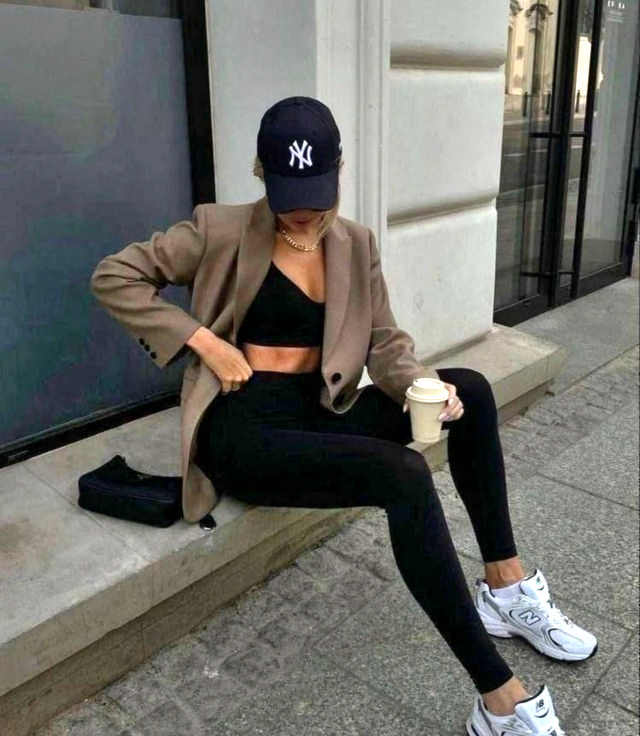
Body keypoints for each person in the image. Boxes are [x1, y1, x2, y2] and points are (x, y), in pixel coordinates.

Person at [91, 96, 597, 735]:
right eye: (287, 194)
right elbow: (114, 277)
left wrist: (424, 387)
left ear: (338, 169)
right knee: (402, 476)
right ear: (261, 174)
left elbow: (385, 342)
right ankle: (500, 699)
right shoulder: (217, 229)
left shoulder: (355, 244)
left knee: (469, 389)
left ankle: (506, 587)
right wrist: (203, 341)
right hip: (244, 431)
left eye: (315, 192)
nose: (303, 210)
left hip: (319, 412)